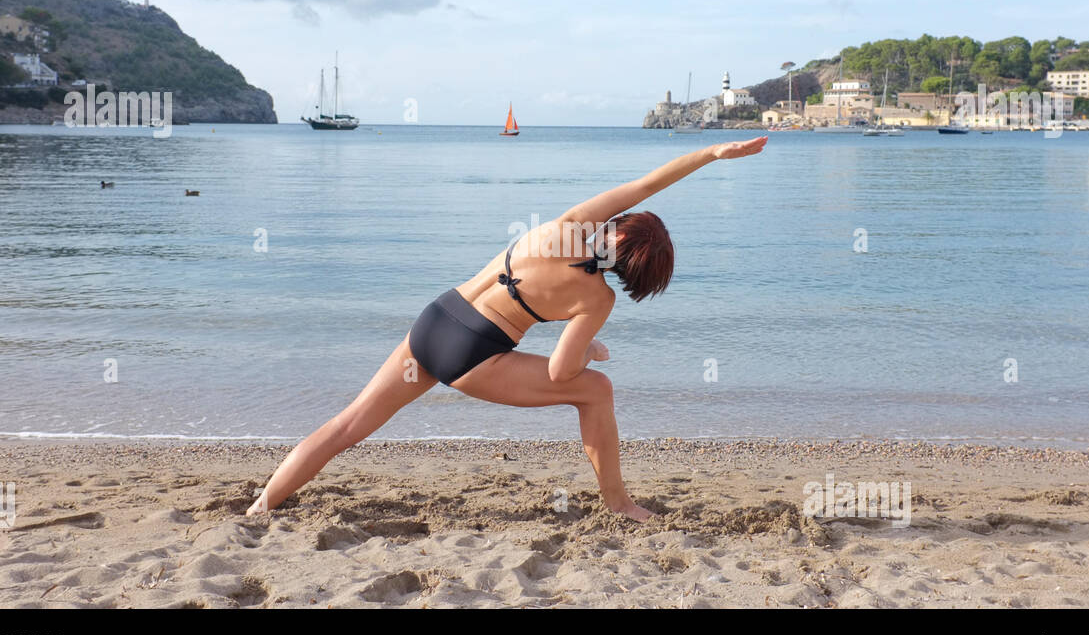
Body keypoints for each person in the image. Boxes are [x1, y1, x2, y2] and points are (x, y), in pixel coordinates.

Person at [246, 136, 767, 523]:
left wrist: (712, 155)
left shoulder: (569, 225)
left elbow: (649, 183)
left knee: (348, 425)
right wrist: (590, 350)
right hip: (473, 355)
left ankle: (261, 507)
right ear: (636, 273)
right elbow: (563, 371)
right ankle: (619, 503)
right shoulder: (596, 297)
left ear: (613, 227)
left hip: (437, 318)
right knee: (596, 391)